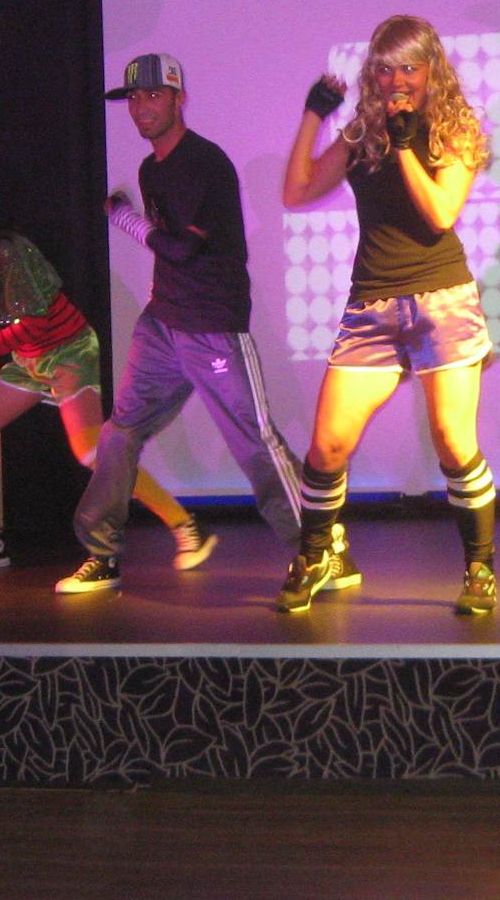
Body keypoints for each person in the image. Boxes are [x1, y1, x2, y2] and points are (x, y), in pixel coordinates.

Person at [63, 54, 349, 594]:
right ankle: (101, 553)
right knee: (119, 432)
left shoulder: (206, 163)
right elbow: (170, 253)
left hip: (211, 326)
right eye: (133, 98)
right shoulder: (151, 169)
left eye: (153, 95)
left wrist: (124, 219)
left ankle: (318, 548)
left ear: (178, 98)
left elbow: (182, 249)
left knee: (255, 442)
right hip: (162, 323)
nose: (141, 108)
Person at [280, 15, 497, 616]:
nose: (397, 79)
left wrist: (404, 147)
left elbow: (441, 214)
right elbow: (296, 191)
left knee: (453, 440)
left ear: (431, 70)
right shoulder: (360, 133)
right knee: (327, 445)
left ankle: (480, 568)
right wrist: (313, 116)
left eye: (408, 67)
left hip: (442, 299)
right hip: (372, 304)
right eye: (384, 68)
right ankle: (318, 558)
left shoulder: (454, 128)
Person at [0, 164, 210, 581]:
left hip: (68, 353)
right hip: (29, 361)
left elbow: (33, 326)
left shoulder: (9, 250)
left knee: (91, 452)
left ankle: (184, 524)